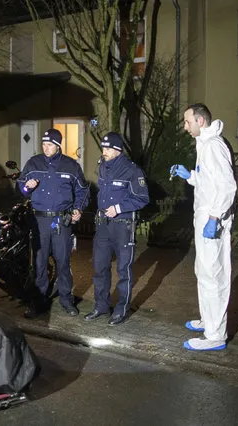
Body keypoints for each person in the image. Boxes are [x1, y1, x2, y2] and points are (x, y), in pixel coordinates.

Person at [171, 103, 236, 351]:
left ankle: (215, 335)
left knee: (213, 277)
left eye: (187, 122)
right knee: (204, 272)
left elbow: (227, 186)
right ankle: (208, 320)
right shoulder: (204, 146)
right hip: (205, 219)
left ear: (200, 120)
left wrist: (215, 217)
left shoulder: (214, 147)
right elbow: (208, 182)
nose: (185, 127)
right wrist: (189, 175)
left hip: (212, 221)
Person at [17, 128, 89, 319]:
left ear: (58, 146)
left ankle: (66, 300)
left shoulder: (71, 166)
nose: (45, 147)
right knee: (39, 263)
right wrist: (27, 187)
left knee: (63, 261)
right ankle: (38, 302)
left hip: (60, 221)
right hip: (39, 220)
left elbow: (83, 190)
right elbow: (21, 187)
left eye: (49, 144)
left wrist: (78, 209)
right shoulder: (34, 163)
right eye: (43, 144)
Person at [85, 132, 149, 326]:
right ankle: (101, 306)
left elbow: (142, 198)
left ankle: (121, 310)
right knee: (100, 267)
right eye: (103, 148)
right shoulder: (103, 167)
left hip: (122, 226)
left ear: (117, 150)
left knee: (123, 270)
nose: (103, 152)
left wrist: (119, 208)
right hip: (103, 225)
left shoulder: (132, 171)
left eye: (107, 149)